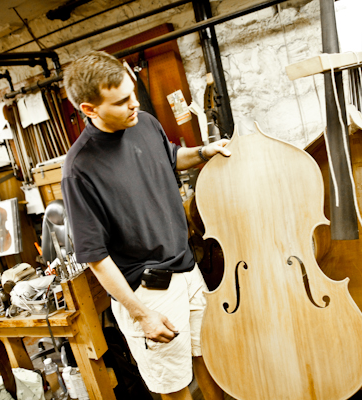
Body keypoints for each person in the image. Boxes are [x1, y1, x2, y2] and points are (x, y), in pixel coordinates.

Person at [61, 50, 230, 400]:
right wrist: (142, 315)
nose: (134, 104)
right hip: (149, 290)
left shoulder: (144, 123)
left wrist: (204, 152)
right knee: (174, 386)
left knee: (213, 363)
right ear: (89, 109)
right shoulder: (79, 169)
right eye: (121, 101)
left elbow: (171, 157)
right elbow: (96, 257)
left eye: (133, 93)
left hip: (187, 270)